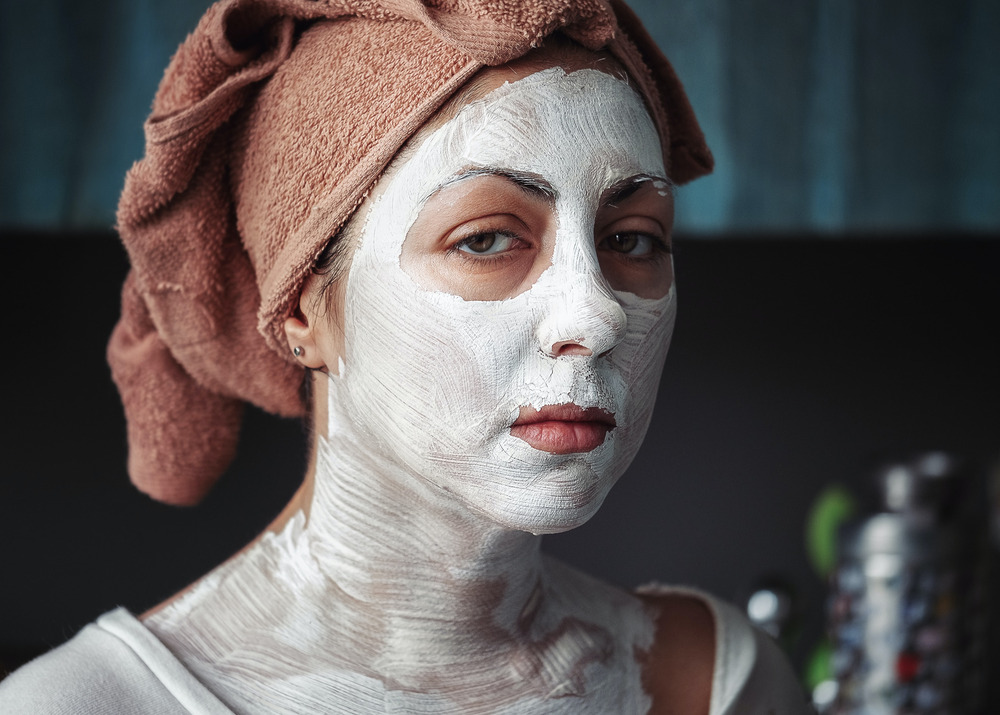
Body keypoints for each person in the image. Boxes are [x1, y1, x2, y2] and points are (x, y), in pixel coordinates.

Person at [0, 0, 809, 712]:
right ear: (303, 312)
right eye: (487, 238)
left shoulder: (712, 685)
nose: (594, 314)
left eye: (632, 238)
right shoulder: (82, 706)